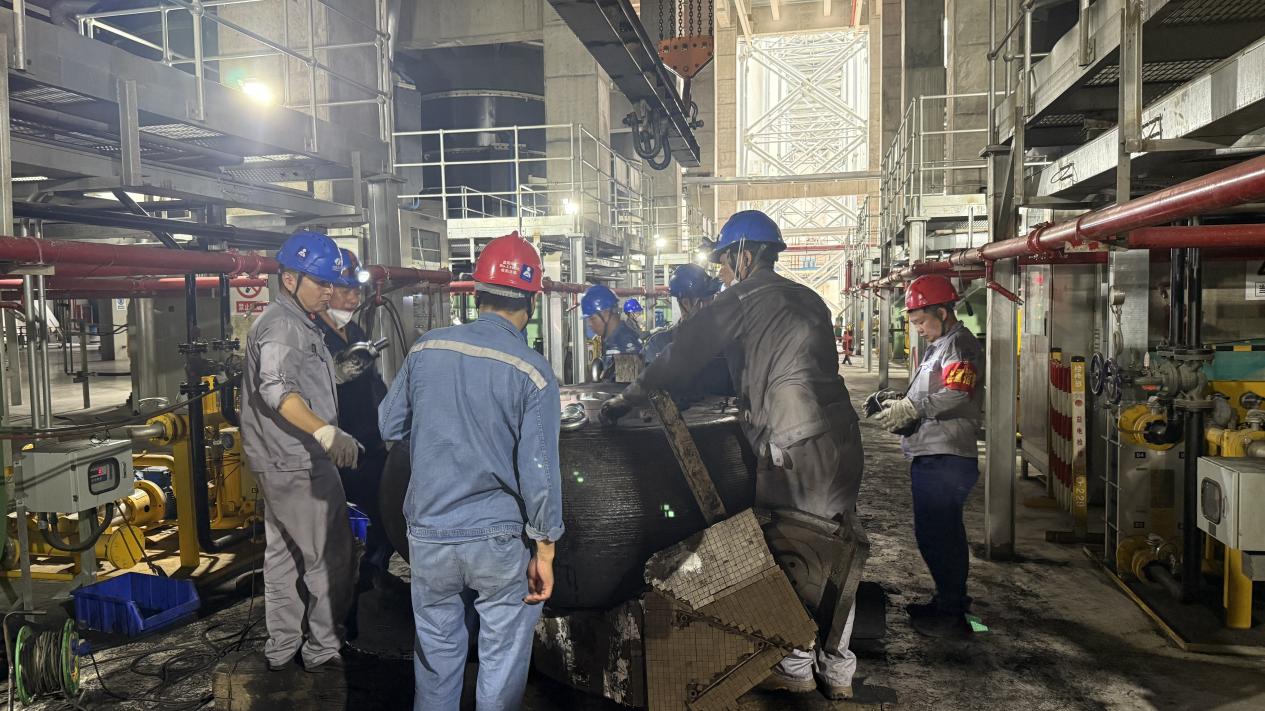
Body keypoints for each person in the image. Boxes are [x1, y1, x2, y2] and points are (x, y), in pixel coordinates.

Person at [603, 210, 864, 700]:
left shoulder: (741, 298)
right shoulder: (809, 298)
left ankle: (795, 664)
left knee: (793, 551)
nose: (722, 273)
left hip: (794, 444)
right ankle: (838, 670)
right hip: (843, 438)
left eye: (724, 262)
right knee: (840, 550)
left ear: (744, 255)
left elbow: (681, 357)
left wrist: (628, 398)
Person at [378, 232, 564, 711]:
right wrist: (545, 550)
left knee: (437, 652)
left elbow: (389, 424)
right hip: (497, 541)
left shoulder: (426, 348)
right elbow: (540, 472)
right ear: (531, 303)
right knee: (501, 655)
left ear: (477, 294)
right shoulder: (533, 371)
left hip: (429, 535)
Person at [241, 231, 358, 673]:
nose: (329, 291)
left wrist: (338, 374)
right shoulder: (283, 325)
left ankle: (283, 646)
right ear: (289, 279)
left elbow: (298, 379)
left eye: (332, 283)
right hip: (297, 461)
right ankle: (323, 647)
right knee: (329, 556)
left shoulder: (297, 321)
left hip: (280, 460)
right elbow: (276, 390)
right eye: (321, 282)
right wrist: (325, 432)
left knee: (284, 555)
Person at [874, 275, 983, 638]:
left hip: (947, 457)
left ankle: (952, 614)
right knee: (935, 534)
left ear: (942, 312)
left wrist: (914, 408)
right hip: (933, 454)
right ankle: (947, 602)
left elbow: (958, 393)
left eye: (921, 321)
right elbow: (931, 391)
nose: (918, 329)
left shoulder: (959, 345)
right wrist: (899, 400)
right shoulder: (940, 346)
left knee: (941, 536)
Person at [313, 248, 405, 602]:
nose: (354, 298)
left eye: (357, 291)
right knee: (344, 530)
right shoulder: (312, 336)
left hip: (371, 445)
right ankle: (343, 599)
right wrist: (333, 377)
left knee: (384, 517)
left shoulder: (353, 330)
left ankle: (371, 577)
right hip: (336, 453)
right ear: (325, 290)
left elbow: (373, 386)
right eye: (346, 290)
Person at [642, 264, 731, 401]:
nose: (711, 306)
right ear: (685, 303)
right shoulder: (658, 344)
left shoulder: (726, 341)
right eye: (705, 301)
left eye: (712, 299)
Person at [581, 283, 642, 380]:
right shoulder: (612, 340)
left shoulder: (625, 343)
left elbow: (627, 386)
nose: (589, 324)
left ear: (605, 313)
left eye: (592, 319)